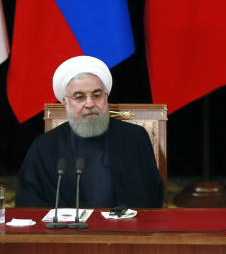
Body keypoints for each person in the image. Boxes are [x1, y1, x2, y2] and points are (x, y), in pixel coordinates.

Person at [17, 55, 164, 208]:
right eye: (79, 97)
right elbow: (28, 204)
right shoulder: (45, 146)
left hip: (123, 229)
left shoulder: (134, 138)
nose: (89, 103)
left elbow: (151, 196)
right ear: (65, 102)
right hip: (64, 231)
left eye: (97, 95)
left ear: (106, 96)